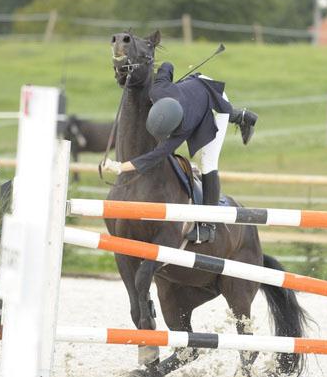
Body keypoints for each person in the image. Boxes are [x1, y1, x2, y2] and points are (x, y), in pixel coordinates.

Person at [103, 61, 257, 243]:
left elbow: (154, 156)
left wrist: (120, 167)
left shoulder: (184, 128)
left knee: (208, 162)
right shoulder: (158, 90)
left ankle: (208, 225)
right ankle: (241, 116)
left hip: (213, 107)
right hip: (195, 87)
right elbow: (167, 65)